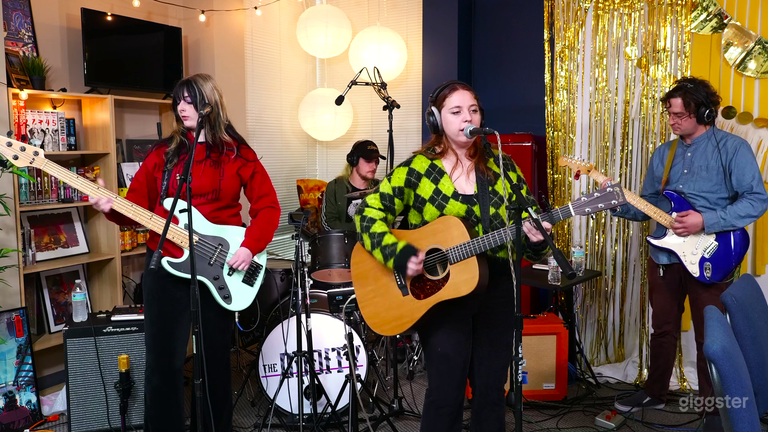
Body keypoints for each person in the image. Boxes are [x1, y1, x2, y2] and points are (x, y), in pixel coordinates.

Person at [355, 80, 551, 432]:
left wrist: (537, 240)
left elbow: (533, 232)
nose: (467, 118)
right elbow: (367, 215)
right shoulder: (417, 170)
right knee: (446, 392)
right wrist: (398, 255)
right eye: (456, 111)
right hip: (441, 297)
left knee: (491, 391)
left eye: (473, 110)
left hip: (497, 289)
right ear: (436, 120)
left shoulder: (502, 167)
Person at [90, 73, 281, 432]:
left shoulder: (239, 154)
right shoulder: (163, 154)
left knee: (213, 364)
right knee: (163, 364)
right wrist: (107, 207)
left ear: (209, 104)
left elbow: (268, 208)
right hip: (164, 264)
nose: (181, 107)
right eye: (178, 101)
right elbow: (135, 209)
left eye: (190, 100)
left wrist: (248, 247)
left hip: (219, 267)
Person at [604, 77, 768, 430]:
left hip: (713, 255)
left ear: (704, 112)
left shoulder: (734, 149)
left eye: (680, 115)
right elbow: (648, 205)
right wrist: (617, 202)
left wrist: (705, 220)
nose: (673, 121)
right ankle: (655, 391)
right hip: (664, 256)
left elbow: (756, 200)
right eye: (670, 115)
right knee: (661, 327)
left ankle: (714, 409)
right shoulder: (664, 154)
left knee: (712, 335)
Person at [321, 139, 385, 231]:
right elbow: (327, 224)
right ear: (354, 160)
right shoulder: (334, 187)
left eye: (376, 162)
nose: (374, 166)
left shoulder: (381, 187)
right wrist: (359, 228)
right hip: (344, 243)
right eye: (369, 161)